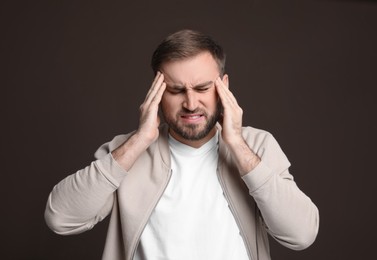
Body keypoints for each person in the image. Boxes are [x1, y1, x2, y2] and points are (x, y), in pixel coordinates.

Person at [45, 29, 319, 260]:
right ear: (157, 91)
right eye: (176, 90)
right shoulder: (127, 151)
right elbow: (60, 218)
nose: (190, 103)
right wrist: (140, 140)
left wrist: (237, 144)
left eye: (202, 88)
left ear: (223, 86)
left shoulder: (257, 146)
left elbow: (301, 234)